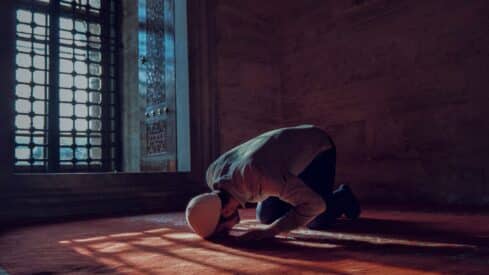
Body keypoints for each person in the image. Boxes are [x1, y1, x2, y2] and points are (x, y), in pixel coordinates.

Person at [185, 124, 360, 240]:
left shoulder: (261, 177)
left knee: (315, 218)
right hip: (279, 166)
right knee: (266, 217)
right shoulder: (212, 173)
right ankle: (295, 193)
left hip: (317, 149)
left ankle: (343, 197)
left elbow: (315, 205)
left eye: (225, 229)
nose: (230, 231)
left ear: (226, 210)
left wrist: (271, 232)